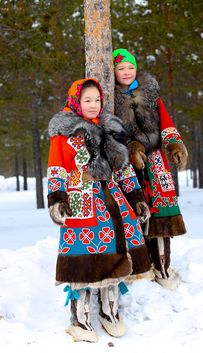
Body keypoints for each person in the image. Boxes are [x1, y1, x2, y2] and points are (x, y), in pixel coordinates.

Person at [47, 77, 153, 343]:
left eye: (97, 100)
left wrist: (136, 196)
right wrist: (57, 199)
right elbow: (56, 168)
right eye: (87, 100)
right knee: (81, 260)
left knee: (116, 253)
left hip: (112, 200)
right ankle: (79, 317)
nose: (93, 105)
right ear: (76, 102)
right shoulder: (64, 134)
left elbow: (124, 167)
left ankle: (110, 310)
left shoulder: (111, 129)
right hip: (81, 200)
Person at [112, 48, 188, 290]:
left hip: (155, 159)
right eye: (121, 68)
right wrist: (130, 147)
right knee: (136, 210)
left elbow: (165, 121)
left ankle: (163, 268)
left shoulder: (151, 92)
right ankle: (140, 267)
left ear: (136, 69)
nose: (126, 72)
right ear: (114, 72)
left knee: (162, 212)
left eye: (130, 67)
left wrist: (174, 143)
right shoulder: (110, 98)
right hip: (130, 162)